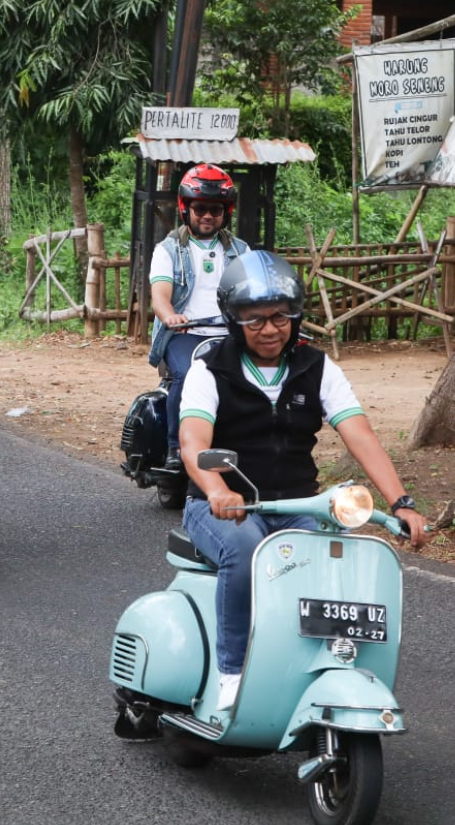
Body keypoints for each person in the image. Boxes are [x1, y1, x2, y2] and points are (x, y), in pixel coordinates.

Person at [179, 250, 428, 711]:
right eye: (255, 320)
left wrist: (401, 502)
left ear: (295, 315)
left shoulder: (316, 366)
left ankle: (330, 664)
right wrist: (217, 489)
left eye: (280, 317)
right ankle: (231, 676)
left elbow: (362, 436)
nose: (270, 329)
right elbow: (193, 443)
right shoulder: (209, 368)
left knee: (337, 560)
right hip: (228, 508)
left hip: (298, 505)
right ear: (234, 320)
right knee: (245, 551)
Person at [147, 163, 249, 472]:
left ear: (225, 212)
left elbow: (254, 294)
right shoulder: (169, 251)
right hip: (184, 334)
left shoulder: (241, 251)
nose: (207, 215)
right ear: (186, 208)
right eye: (200, 208)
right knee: (187, 376)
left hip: (229, 334)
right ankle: (176, 449)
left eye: (215, 209)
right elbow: (160, 296)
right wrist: (171, 317)